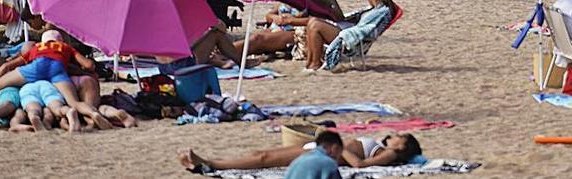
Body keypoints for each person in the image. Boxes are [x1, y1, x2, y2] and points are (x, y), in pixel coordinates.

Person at [179, 128, 423, 173]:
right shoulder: (382, 147)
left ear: (403, 147)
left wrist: (340, 150)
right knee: (261, 154)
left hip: (326, 152)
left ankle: (209, 164)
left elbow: (358, 165)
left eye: (400, 137)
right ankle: (210, 163)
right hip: (325, 148)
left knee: (264, 159)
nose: (395, 136)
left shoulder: (391, 154)